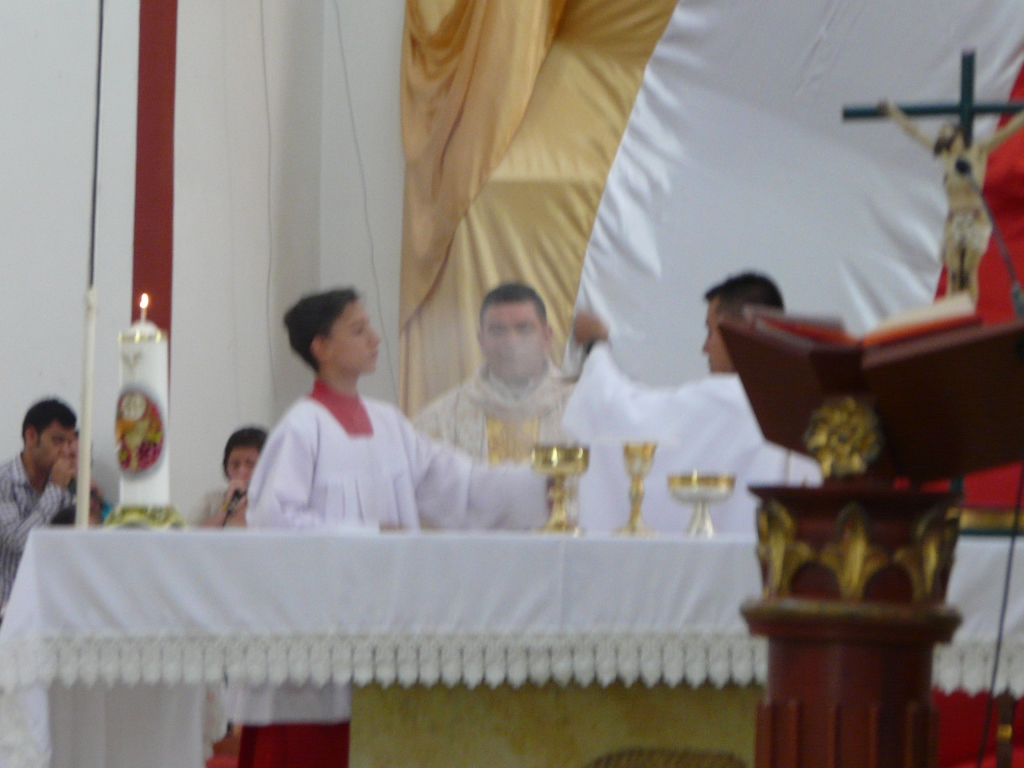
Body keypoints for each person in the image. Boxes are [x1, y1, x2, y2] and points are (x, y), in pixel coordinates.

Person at [233, 288, 547, 768]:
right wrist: (369, 535)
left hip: (384, 631)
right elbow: (275, 525)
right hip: (317, 644)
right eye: (359, 330)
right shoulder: (301, 428)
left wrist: (548, 488)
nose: (376, 338)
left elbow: (459, 487)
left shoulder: (388, 423)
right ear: (322, 346)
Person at [566, 272, 819, 536]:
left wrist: (596, 346)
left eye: (711, 331)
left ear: (739, 332)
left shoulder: (732, 397)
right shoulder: (803, 397)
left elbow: (623, 416)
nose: (705, 347)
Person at [414, 282, 574, 464]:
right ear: (481, 341)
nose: (511, 342)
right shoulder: (439, 422)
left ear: (546, 337)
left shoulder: (584, 409)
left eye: (523, 329)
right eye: (498, 331)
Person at [880, 100, 1024, 300]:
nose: (944, 135)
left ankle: (969, 313)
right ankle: (953, 313)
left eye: (948, 131)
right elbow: (914, 133)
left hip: (975, 219)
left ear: (958, 134)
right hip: (954, 220)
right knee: (954, 273)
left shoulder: (979, 151)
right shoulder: (946, 156)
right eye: (943, 134)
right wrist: (893, 113)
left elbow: (1010, 129)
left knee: (967, 272)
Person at [0, 399, 77, 605]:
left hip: (48, 605)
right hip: (7, 609)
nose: (65, 451)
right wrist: (55, 489)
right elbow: (20, 542)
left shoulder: (65, 485)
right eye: (57, 441)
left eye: (69, 442)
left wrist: (86, 496)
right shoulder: (3, 482)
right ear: (31, 436)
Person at [191, 427, 268, 527]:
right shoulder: (211, 501)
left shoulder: (278, 505)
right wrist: (226, 508)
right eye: (235, 465)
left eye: (250, 464)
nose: (241, 471)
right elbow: (190, 539)